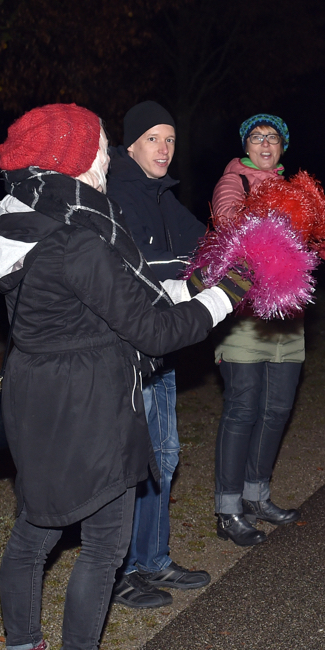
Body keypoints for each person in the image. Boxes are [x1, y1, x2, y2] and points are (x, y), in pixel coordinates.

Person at [0, 104, 241, 650]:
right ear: (72, 159)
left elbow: (125, 296)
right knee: (103, 542)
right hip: (89, 403)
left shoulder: (24, 222)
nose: (106, 157)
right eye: (98, 147)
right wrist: (225, 300)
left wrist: (198, 288)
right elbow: (151, 327)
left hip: (35, 394)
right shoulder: (78, 240)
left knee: (34, 531)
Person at [210, 114, 325, 546]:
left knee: (277, 408)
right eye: (258, 137)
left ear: (283, 148)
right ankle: (228, 510)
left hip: (288, 318)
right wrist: (277, 212)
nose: (266, 144)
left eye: (274, 138)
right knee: (243, 407)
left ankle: (257, 496)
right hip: (243, 314)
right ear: (246, 145)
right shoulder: (234, 183)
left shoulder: (300, 193)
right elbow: (230, 224)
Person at [105, 100, 211, 609]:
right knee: (134, 461)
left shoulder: (164, 196)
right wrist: (188, 273)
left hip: (163, 345)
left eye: (170, 139)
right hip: (129, 349)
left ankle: (152, 558)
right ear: (130, 145)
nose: (165, 148)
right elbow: (135, 269)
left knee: (165, 457)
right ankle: (121, 571)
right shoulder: (116, 194)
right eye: (153, 139)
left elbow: (209, 247)